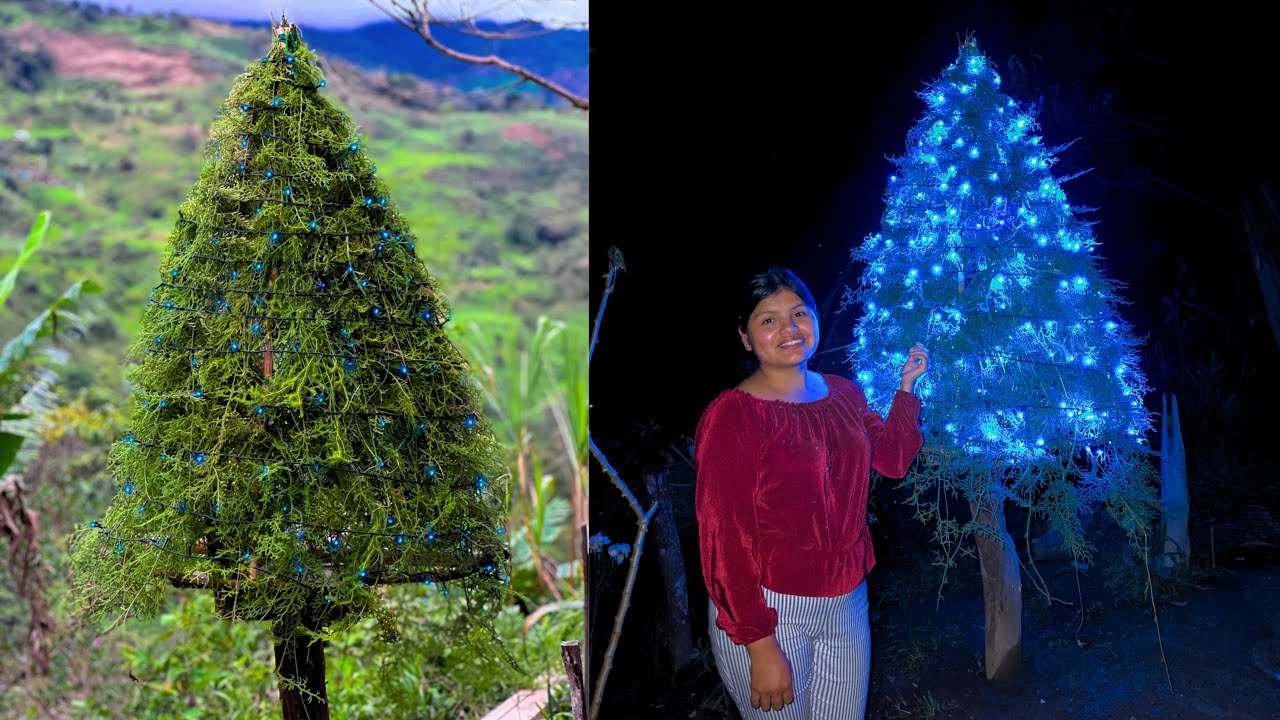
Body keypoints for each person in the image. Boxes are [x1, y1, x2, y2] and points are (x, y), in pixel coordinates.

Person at [694, 266, 928, 719]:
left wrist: (906, 388)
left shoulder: (843, 394)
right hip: (770, 608)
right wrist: (759, 647)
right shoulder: (734, 417)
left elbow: (892, 459)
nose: (789, 329)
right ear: (745, 337)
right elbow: (723, 541)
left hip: (847, 600)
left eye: (799, 313)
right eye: (768, 320)